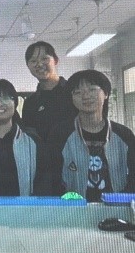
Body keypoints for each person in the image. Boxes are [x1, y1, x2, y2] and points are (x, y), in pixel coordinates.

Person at [47, 70, 135, 200]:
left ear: (106, 93)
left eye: (92, 89)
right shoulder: (60, 134)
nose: (86, 96)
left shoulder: (124, 135)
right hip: (74, 208)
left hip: (116, 207)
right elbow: (52, 177)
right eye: (78, 92)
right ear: (72, 98)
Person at [20, 41, 75, 139]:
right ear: (28, 66)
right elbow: (31, 138)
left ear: (56, 61)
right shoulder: (30, 103)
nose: (39, 64)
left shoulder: (74, 92)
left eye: (44, 58)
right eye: (33, 61)